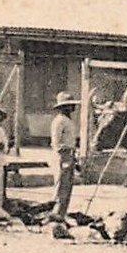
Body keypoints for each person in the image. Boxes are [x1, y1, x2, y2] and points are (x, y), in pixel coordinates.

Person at [48, 91, 81, 221]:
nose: (72, 107)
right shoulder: (59, 121)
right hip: (62, 155)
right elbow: (56, 142)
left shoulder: (68, 121)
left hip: (70, 154)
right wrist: (65, 155)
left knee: (67, 186)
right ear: (62, 107)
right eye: (68, 105)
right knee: (61, 185)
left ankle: (62, 213)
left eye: (72, 105)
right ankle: (56, 213)